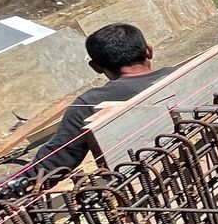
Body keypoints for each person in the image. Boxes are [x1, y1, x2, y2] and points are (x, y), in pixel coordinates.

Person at [31, 23, 173, 179]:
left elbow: (53, 163)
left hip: (147, 187)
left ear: (95, 67)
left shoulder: (89, 103)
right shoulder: (181, 74)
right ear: (149, 51)